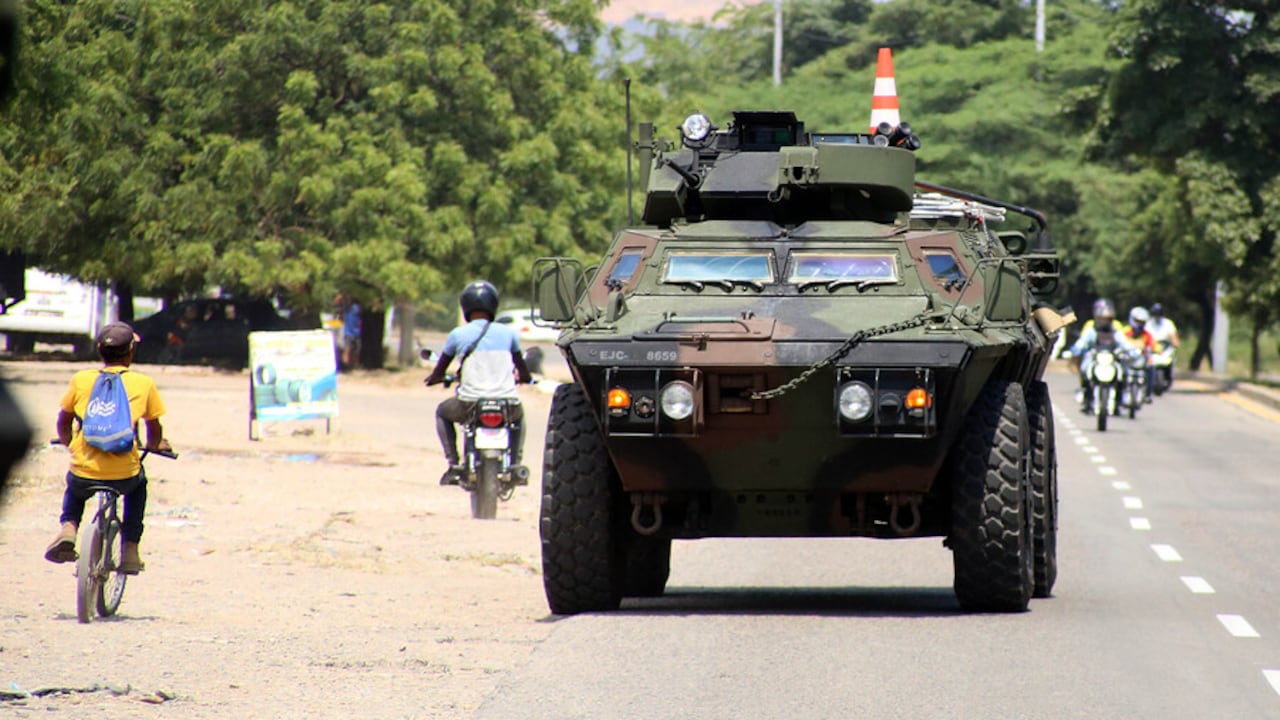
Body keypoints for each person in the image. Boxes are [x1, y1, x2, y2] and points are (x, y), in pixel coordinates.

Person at [45, 322, 169, 573]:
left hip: (85, 471)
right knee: (139, 486)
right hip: (124, 475)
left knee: (75, 486)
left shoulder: (81, 379)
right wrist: (157, 445)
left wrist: (71, 445)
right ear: (131, 352)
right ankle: (130, 549)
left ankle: (69, 528)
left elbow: (63, 421)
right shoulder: (143, 383)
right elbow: (154, 428)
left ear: (99, 350)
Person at [424, 281, 533, 486]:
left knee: (442, 412)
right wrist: (525, 378)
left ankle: (454, 464)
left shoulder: (457, 334)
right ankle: (516, 464)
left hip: (469, 404)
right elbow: (523, 368)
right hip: (507, 404)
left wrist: (435, 378)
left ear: (465, 306)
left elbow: (440, 369)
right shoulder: (508, 334)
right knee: (519, 416)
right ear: (493, 305)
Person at [1067, 298, 1138, 412]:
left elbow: (1125, 343)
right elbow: (1082, 342)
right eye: (1102, 319)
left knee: (1124, 372)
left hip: (1112, 358)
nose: (1104, 322)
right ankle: (1087, 397)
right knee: (1085, 369)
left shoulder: (1115, 331)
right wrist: (1076, 349)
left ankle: (1120, 400)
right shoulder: (1092, 330)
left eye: (1107, 319)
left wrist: (1131, 351)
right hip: (1095, 357)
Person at [1124, 306, 1158, 403]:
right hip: (1127, 360)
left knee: (1152, 367)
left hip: (1141, 360)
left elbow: (1154, 345)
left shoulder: (1147, 334)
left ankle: (1148, 394)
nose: (1139, 324)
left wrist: (1155, 349)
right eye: (1137, 321)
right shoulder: (1125, 332)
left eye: (1142, 322)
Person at [339, 293, 362, 370]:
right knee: (348, 349)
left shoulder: (356, 307)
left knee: (356, 351)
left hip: (357, 332)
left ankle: (355, 365)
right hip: (348, 333)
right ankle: (346, 365)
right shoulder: (345, 308)